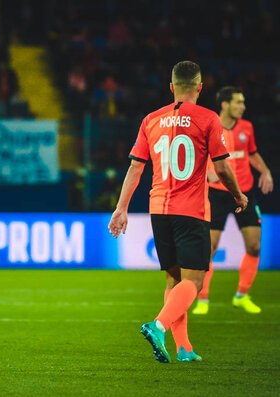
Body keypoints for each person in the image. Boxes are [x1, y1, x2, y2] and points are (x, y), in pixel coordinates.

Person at [108, 61, 247, 363]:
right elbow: (222, 166)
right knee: (194, 282)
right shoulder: (209, 119)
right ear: (200, 87)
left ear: (171, 87)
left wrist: (121, 208)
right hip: (191, 210)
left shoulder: (151, 120)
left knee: (173, 280)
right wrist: (238, 194)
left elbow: (135, 167)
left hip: (158, 209)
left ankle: (183, 348)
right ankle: (158, 326)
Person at [193, 87, 274, 315]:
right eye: (239, 102)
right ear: (225, 104)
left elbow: (251, 153)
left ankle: (242, 295)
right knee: (209, 249)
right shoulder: (209, 125)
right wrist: (204, 171)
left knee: (254, 246)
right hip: (217, 194)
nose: (243, 106)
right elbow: (197, 154)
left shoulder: (246, 128)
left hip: (245, 192)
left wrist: (266, 171)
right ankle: (203, 299)